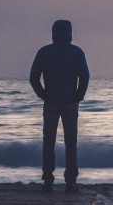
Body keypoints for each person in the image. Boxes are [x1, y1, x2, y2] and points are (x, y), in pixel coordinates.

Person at [29, 19, 90, 193]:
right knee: (71, 142)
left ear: (53, 34)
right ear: (70, 34)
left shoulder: (44, 52)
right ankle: (71, 181)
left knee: (49, 141)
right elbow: (85, 77)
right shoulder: (77, 52)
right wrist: (78, 96)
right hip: (70, 102)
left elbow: (33, 78)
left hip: (50, 102)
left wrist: (43, 95)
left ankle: (48, 180)